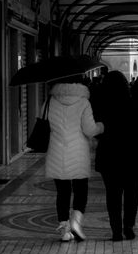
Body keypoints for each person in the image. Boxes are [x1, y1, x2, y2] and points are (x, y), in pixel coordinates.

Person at [44, 75, 103, 242]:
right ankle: (76, 221)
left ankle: (64, 230)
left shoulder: (50, 101)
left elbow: (46, 124)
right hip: (77, 152)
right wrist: (101, 126)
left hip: (56, 151)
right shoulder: (84, 102)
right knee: (80, 189)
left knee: (62, 192)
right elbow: (90, 130)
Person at [94, 70, 138, 241]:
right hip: (131, 155)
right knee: (132, 194)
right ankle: (129, 227)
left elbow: (96, 131)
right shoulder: (134, 102)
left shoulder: (101, 104)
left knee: (113, 195)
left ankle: (116, 231)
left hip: (109, 155)